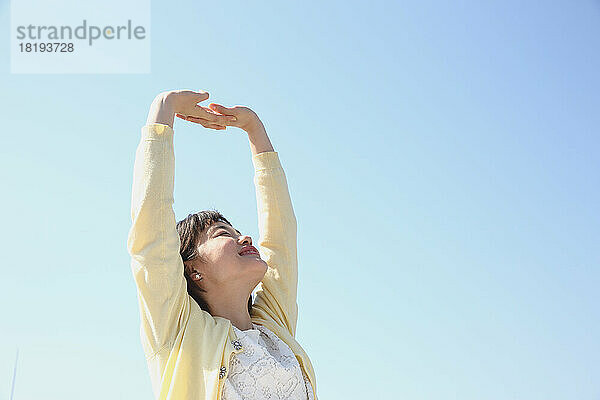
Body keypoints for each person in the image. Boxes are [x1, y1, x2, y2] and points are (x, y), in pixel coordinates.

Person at [127, 89, 318, 399]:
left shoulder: (274, 327)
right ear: (192, 270)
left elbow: (282, 236)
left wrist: (255, 131)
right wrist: (164, 108)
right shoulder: (180, 330)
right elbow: (151, 234)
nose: (244, 237)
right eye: (222, 233)